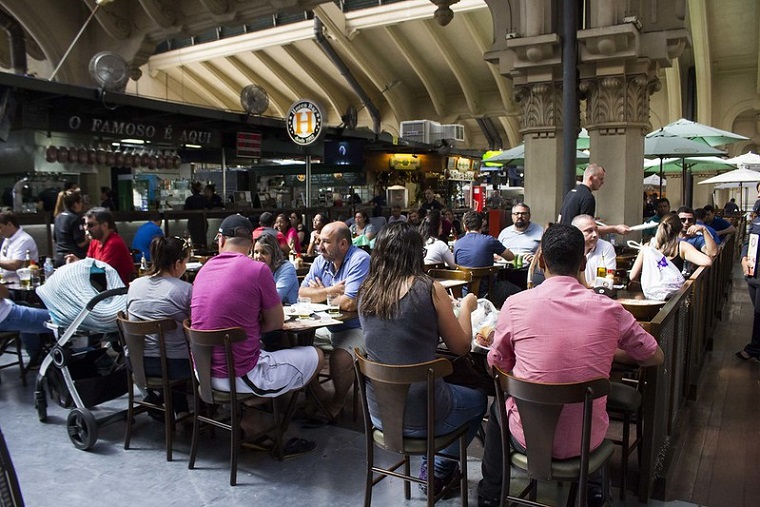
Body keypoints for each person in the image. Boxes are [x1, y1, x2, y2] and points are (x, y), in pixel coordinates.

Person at [477, 224, 664, 507]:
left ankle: (491, 495)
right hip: (587, 441)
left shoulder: (515, 305)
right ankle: (595, 491)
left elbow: (496, 366)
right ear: (583, 262)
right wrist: (606, 351)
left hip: (527, 438)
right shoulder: (611, 310)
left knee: (498, 410)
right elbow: (654, 356)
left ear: (541, 261)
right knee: (591, 414)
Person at [358, 222, 486, 497]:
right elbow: (462, 347)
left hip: (380, 416)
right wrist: (466, 306)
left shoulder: (366, 290)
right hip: (424, 415)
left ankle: (435, 466)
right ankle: (438, 468)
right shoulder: (429, 289)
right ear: (416, 253)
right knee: (478, 400)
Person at [191, 214, 326, 453]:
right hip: (241, 376)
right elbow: (275, 322)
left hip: (203, 374)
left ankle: (251, 415)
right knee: (317, 356)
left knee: (265, 352)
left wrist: (244, 330)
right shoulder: (257, 270)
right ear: (251, 244)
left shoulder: (203, 270)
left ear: (220, 240)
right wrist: (248, 330)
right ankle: (271, 426)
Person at [299, 222, 370, 418]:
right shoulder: (321, 260)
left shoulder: (360, 259)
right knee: (295, 344)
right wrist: (330, 291)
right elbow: (302, 293)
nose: (319, 247)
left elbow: (349, 303)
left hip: (357, 327)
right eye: (319, 241)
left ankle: (338, 402)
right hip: (325, 326)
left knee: (340, 359)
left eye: (325, 242)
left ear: (343, 244)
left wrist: (319, 294)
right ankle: (319, 394)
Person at [126, 236, 193, 416]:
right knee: (190, 348)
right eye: (185, 262)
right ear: (177, 263)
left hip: (137, 363)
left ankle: (172, 406)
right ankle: (194, 412)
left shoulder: (135, 285)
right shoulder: (185, 290)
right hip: (176, 366)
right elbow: (196, 325)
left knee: (169, 343)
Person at [630, 213, 713, 283]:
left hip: (651, 293)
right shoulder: (681, 247)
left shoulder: (647, 246)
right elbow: (707, 261)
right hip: (674, 294)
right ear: (679, 229)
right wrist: (703, 229)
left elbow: (633, 276)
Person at [67, 207, 135, 285]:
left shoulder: (113, 243)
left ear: (105, 225)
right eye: (85, 224)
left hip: (118, 288)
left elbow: (101, 272)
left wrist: (80, 265)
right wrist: (78, 262)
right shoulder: (94, 241)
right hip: (103, 286)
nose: (86, 228)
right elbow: (89, 264)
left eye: (90, 225)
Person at [558, 164, 630, 236]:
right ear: (591, 178)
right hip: (575, 240)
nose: (602, 182)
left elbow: (560, 219)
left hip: (563, 238)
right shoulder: (587, 197)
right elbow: (588, 228)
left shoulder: (571, 193)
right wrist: (615, 229)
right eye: (600, 179)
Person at [0, 284, 53, 368]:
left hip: (7, 309)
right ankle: (40, 357)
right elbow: (5, 293)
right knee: (61, 318)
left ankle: (36, 355)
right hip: (6, 315)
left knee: (25, 304)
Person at [571, 214, 616, 286]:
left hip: (598, 291)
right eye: (589, 231)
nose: (595, 234)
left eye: (596, 230)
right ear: (576, 232)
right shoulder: (568, 249)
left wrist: (590, 285)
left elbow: (610, 275)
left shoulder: (606, 247)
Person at [253, 233, 298, 305]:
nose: (258, 256)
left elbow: (274, 298)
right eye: (256, 252)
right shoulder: (256, 270)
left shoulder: (287, 268)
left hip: (287, 309)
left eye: (264, 252)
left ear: (273, 253)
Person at [738, 211, 760, 360]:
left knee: (759, 312)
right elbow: (749, 241)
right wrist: (743, 258)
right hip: (753, 274)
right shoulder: (757, 221)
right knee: (757, 312)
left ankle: (754, 348)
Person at [0, 211, 39, 281]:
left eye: (0, 227)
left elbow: (15, 265)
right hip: (6, 280)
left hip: (21, 282)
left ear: (9, 224)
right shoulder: (8, 238)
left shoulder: (24, 240)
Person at [53, 191, 89, 266]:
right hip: (73, 258)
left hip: (59, 257)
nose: (82, 204)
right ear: (76, 204)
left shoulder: (58, 217)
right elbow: (80, 243)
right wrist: (90, 239)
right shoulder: (75, 219)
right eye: (80, 202)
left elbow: (55, 238)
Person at [184, 181, 207, 247]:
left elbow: (185, 211)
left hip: (192, 222)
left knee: (194, 240)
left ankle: (196, 249)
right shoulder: (203, 199)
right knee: (203, 240)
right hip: (203, 221)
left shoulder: (189, 199)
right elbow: (209, 208)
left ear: (192, 190)